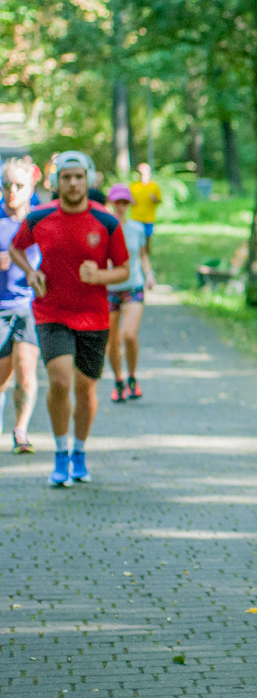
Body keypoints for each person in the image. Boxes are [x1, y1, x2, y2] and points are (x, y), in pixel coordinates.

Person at [10, 152, 129, 487]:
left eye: (79, 177)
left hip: (94, 316)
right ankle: (61, 453)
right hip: (51, 312)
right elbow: (17, 248)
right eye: (66, 177)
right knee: (60, 381)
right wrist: (31, 272)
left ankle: (79, 451)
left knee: (85, 388)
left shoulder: (107, 221)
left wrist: (99, 276)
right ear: (55, 182)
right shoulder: (39, 217)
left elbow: (124, 269)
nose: (73, 183)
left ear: (88, 179)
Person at [0, 158, 44, 453]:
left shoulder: (41, 221)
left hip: (30, 307)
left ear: (31, 187)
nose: (12, 190)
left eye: (18, 185)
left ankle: (21, 431)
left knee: (27, 371)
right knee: (2, 377)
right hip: (1, 307)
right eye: (7, 185)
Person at [104, 183, 153, 402]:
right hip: (110, 287)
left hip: (134, 284)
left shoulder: (137, 228)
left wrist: (149, 274)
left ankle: (132, 376)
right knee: (112, 340)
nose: (121, 206)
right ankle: (118, 380)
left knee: (129, 335)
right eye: (117, 202)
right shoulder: (104, 228)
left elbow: (142, 254)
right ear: (111, 203)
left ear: (129, 204)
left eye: (124, 202)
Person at [129, 162, 162, 251]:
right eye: (141, 173)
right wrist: (131, 201)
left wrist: (154, 199)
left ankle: (146, 255)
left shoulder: (154, 186)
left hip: (149, 218)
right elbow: (127, 201)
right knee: (136, 240)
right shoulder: (133, 186)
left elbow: (159, 201)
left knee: (147, 240)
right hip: (136, 218)